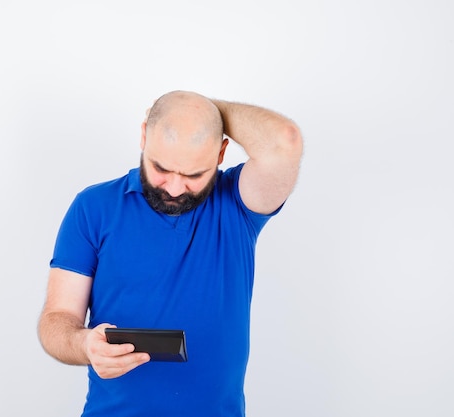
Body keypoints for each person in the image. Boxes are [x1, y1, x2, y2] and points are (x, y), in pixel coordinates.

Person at [38, 90, 303, 416]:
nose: (175, 188)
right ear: (144, 135)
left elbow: (284, 142)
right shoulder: (93, 208)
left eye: (194, 175)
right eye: (161, 168)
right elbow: (56, 320)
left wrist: (206, 111)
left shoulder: (237, 205)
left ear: (221, 152)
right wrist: (84, 345)